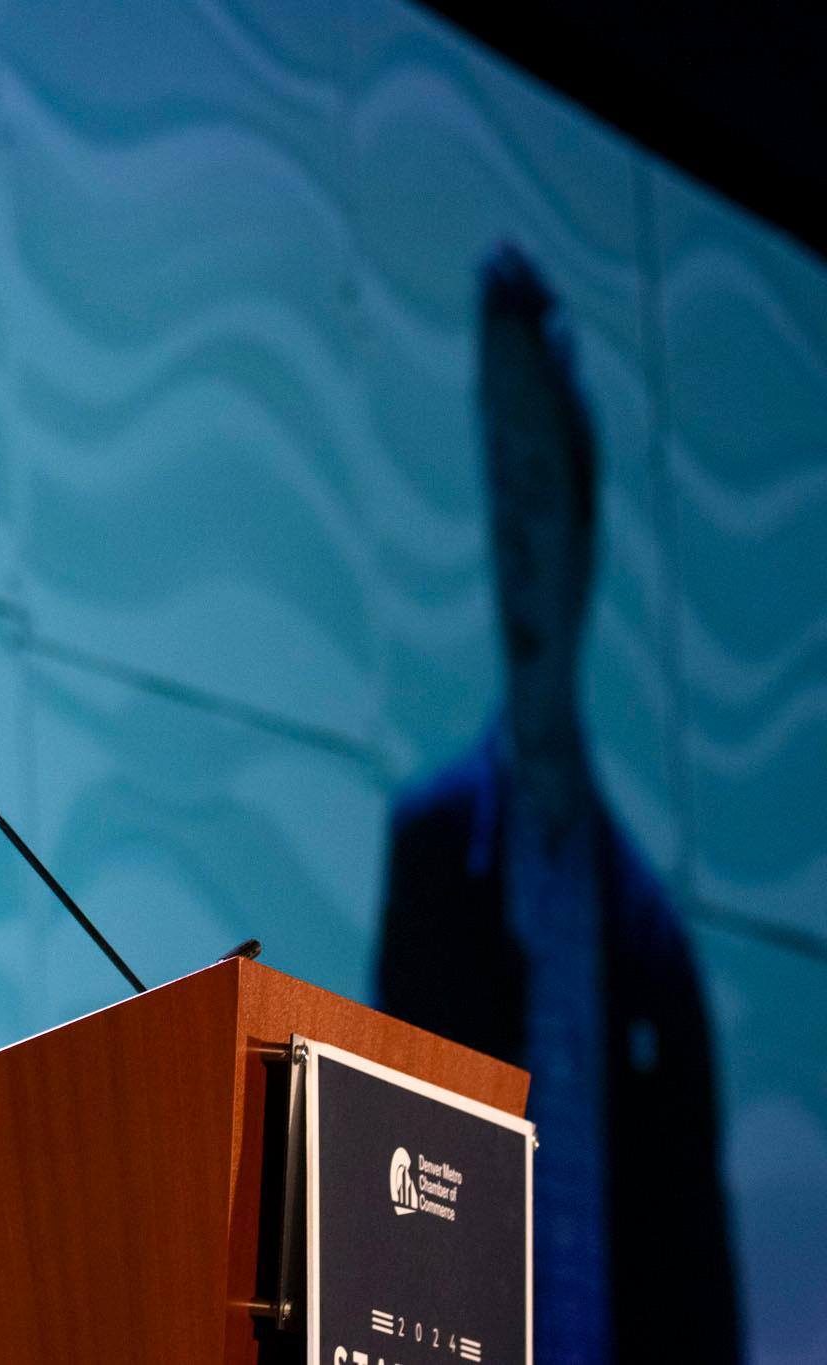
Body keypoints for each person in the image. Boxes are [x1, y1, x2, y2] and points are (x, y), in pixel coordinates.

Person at [374, 245, 738, 1364]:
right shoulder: (430, 854)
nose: (511, 542)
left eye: (532, 490)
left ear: (585, 526)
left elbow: (700, 1300)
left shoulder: (651, 942)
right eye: (493, 491)